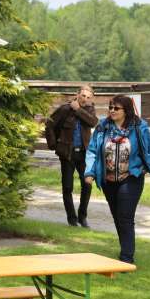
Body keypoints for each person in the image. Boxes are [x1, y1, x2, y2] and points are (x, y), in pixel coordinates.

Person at [85, 95, 150, 264]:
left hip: (131, 177)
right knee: (117, 216)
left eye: (116, 108)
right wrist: (89, 172)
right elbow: (93, 150)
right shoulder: (103, 127)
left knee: (125, 216)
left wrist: (147, 167)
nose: (112, 110)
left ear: (126, 111)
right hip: (108, 179)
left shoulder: (139, 127)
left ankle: (126, 258)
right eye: (110, 107)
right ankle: (125, 248)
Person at [45, 85, 98, 227]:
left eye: (88, 97)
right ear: (77, 94)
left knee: (87, 184)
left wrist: (78, 110)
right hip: (67, 154)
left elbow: (93, 122)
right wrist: (54, 145)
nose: (85, 99)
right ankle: (72, 219)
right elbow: (49, 124)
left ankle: (82, 217)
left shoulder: (89, 109)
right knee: (67, 187)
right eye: (83, 96)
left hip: (84, 154)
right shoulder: (64, 109)